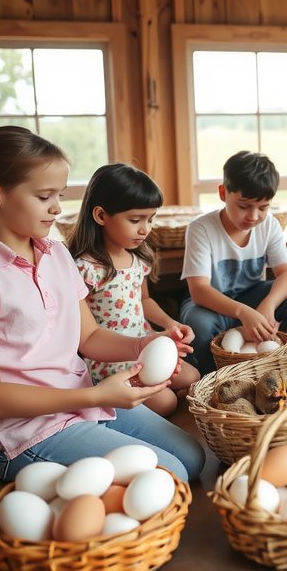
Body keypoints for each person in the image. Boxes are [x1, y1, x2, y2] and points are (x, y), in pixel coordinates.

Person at [0, 126, 205, 482]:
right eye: (44, 196)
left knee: (193, 459)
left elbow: (89, 338)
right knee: (171, 474)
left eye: (59, 195)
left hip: (81, 400)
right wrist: (95, 396)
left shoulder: (56, 254)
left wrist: (145, 344)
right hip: (23, 432)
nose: (57, 208)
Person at [67, 163, 200, 417]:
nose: (145, 229)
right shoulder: (85, 268)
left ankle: (160, 391)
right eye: (135, 220)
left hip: (145, 342)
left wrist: (170, 323)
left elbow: (145, 300)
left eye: (150, 219)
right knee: (167, 403)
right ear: (101, 216)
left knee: (193, 378)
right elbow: (82, 333)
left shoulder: (138, 258)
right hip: (111, 358)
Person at [178, 150, 287, 375]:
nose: (253, 216)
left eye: (263, 207)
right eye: (244, 206)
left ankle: (286, 363)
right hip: (212, 304)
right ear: (223, 193)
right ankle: (211, 378)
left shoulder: (269, 225)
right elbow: (199, 291)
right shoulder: (201, 228)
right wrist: (243, 312)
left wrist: (269, 304)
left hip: (252, 295)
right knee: (198, 324)